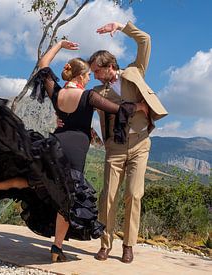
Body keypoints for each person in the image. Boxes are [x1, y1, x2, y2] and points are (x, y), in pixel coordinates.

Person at [0, 40, 145, 263]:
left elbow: (43, 64)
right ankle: (57, 248)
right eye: (87, 76)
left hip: (55, 143)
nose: (89, 79)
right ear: (80, 76)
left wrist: (59, 45)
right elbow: (121, 110)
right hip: (75, 150)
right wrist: (141, 107)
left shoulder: (57, 93)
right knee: (66, 198)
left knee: (38, 181)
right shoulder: (88, 96)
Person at [88, 21, 168, 263]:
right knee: (108, 196)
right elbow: (83, 109)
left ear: (110, 67)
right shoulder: (98, 92)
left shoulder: (135, 72)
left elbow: (145, 40)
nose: (94, 75)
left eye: (97, 71)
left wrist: (122, 26)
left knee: (134, 194)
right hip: (115, 148)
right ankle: (105, 244)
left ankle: (129, 245)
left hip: (140, 144)